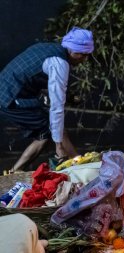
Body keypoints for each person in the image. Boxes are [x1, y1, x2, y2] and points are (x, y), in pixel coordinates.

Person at [0, 27, 94, 173]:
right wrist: (58, 145)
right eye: (83, 55)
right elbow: (56, 107)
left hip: (10, 89)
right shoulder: (60, 63)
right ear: (74, 51)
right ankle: (14, 172)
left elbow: (37, 77)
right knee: (48, 131)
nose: (84, 60)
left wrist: (68, 96)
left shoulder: (46, 48)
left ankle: (78, 162)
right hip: (10, 96)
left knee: (50, 130)